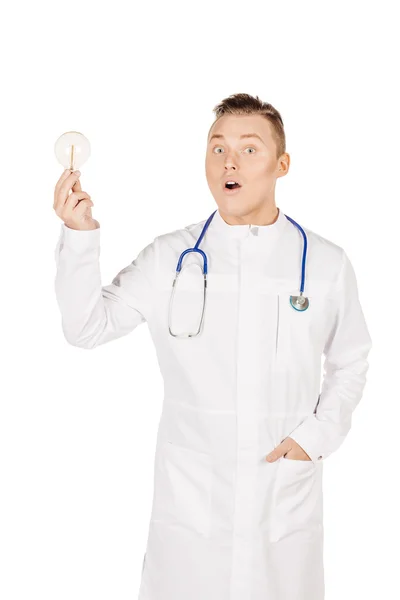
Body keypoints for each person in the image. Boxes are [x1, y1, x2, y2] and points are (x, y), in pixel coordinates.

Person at [53, 93, 372, 600]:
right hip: (191, 505)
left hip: (281, 498)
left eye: (249, 149)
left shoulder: (326, 263)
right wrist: (79, 233)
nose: (229, 161)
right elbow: (86, 327)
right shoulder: (169, 257)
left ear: (281, 164)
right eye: (217, 148)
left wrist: (315, 438)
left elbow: (351, 360)